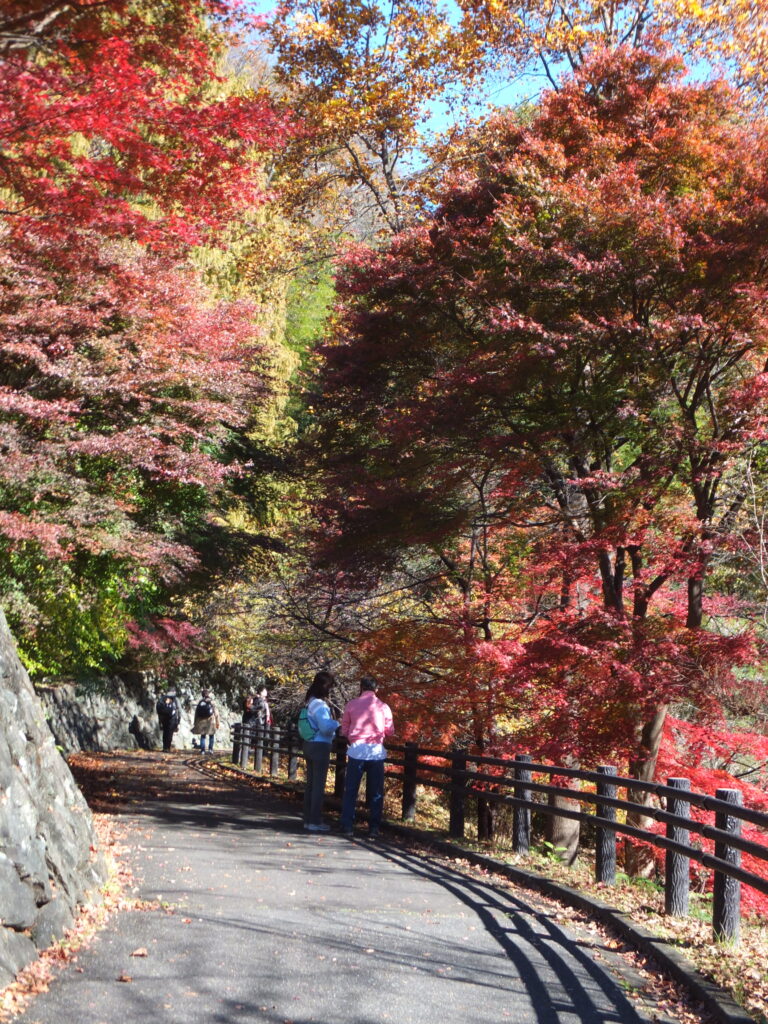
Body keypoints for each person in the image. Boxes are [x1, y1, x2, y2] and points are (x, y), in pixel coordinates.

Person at [339, 676, 394, 838]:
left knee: (351, 790)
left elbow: (344, 728)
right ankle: (374, 828)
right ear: (376, 689)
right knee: (376, 792)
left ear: (361, 687)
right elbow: (390, 730)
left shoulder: (351, 704)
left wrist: (352, 736)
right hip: (376, 751)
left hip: (356, 750)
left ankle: (347, 825)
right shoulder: (383, 707)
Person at [301, 670, 340, 832]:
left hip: (308, 744)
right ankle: (315, 821)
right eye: (330, 687)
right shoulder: (320, 705)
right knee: (318, 786)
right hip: (320, 746)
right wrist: (337, 724)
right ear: (325, 686)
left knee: (310, 785)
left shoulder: (309, 702)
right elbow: (325, 727)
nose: (330, 690)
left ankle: (308, 819)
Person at [192, 689, 220, 754]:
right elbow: (216, 713)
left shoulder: (200, 702)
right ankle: (210, 749)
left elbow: (196, 713)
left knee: (203, 736)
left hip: (201, 721)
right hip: (210, 721)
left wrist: (195, 722)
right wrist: (217, 722)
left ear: (202, 695)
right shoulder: (212, 702)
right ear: (208, 694)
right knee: (211, 735)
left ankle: (202, 750)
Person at [156, 687, 181, 752]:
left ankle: (164, 747)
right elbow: (179, 710)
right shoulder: (175, 699)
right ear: (174, 691)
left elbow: (159, 709)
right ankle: (168, 747)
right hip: (172, 718)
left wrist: (160, 720)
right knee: (170, 733)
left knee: (165, 732)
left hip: (164, 718)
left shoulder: (163, 698)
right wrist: (178, 720)